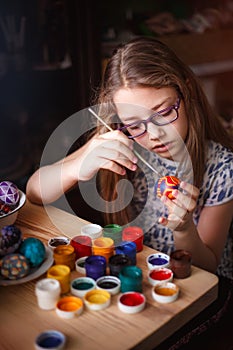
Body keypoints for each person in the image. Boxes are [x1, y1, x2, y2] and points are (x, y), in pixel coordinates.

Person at [27, 37, 233, 347]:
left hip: (206, 298)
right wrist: (77, 165)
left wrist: (184, 227)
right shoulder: (124, 143)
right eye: (134, 124)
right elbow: (33, 193)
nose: (152, 134)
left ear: (186, 91)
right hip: (142, 286)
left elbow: (205, 270)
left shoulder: (223, 167)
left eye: (163, 113)